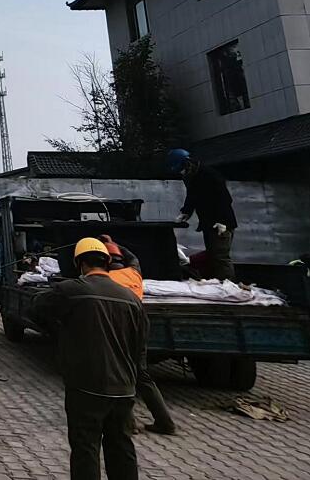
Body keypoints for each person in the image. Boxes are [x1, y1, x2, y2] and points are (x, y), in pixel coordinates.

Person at [34, 237, 148, 480]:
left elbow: (36, 308)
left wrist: (61, 328)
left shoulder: (72, 290)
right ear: (107, 263)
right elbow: (139, 346)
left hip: (86, 386)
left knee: (86, 448)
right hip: (124, 389)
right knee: (122, 448)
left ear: (80, 264)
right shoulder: (131, 299)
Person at [100, 235, 176, 436]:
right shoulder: (134, 272)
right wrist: (113, 243)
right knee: (142, 375)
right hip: (140, 324)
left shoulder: (106, 278)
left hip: (117, 326)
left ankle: (128, 423)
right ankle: (165, 422)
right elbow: (132, 256)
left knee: (118, 373)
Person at [168, 148, 237, 282]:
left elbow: (224, 198)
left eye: (182, 168)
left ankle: (228, 285)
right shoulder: (192, 177)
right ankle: (218, 282)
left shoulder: (210, 175)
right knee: (212, 254)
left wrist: (222, 220)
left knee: (220, 256)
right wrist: (186, 212)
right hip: (208, 222)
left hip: (221, 223)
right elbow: (192, 196)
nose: (182, 172)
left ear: (187, 163)